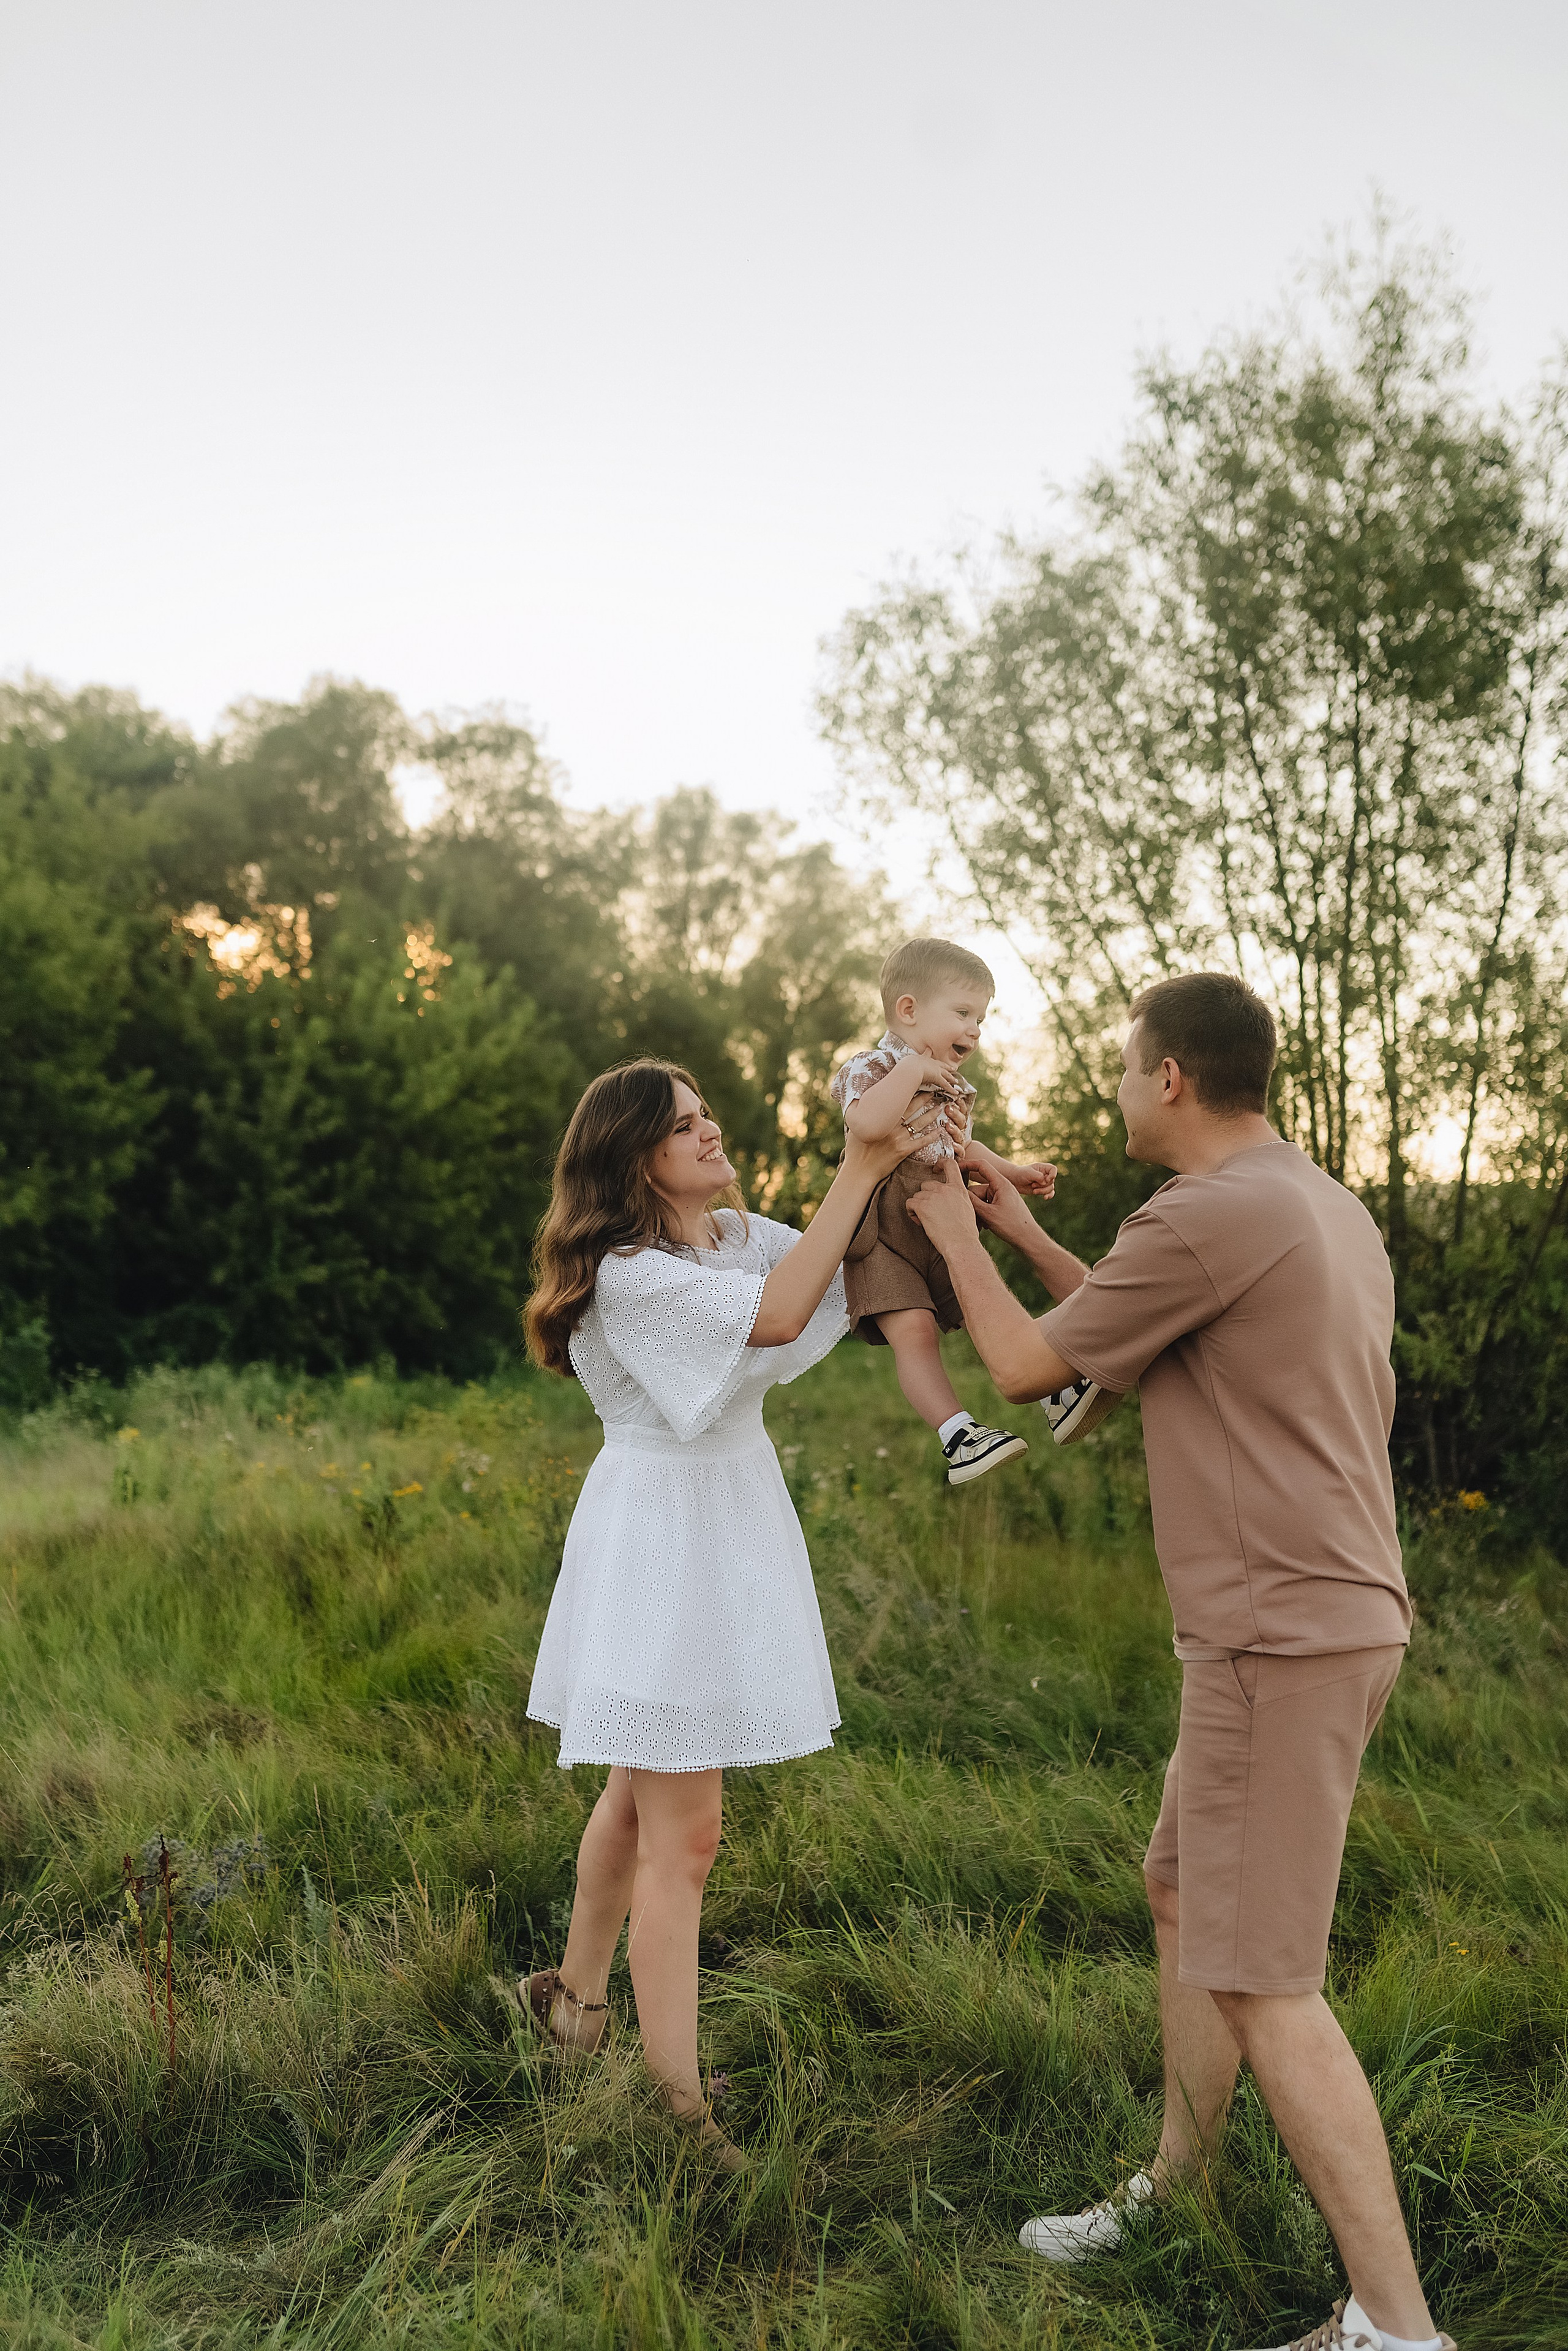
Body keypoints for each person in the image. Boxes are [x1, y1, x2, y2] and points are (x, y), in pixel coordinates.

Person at [904, 973, 1455, 2351]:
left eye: (1118, 1068)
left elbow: (1035, 1368)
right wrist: (1018, 1224)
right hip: (1314, 1617)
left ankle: (1394, 2329)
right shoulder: (1306, 1201)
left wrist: (931, 1224)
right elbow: (1138, 1347)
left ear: (1167, 1078)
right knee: (1176, 1888)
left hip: (1281, 1630)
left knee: (1266, 1976)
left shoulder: (1203, 1213)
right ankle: (1179, 2177)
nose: (1109, 1090)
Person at [522, 1057, 944, 2165]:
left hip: (727, 1515)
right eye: (685, 1126)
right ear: (633, 1157)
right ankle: (680, 2115)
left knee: (635, 1783)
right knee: (689, 1835)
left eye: (710, 1115)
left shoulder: (732, 1236)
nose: (714, 1134)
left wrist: (915, 1146)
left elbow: (835, 1262)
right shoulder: (631, 1274)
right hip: (661, 1531)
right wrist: (858, 1157)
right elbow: (783, 1311)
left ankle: (572, 2006)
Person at [829, 937, 1056, 1484]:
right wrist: (911, 1073)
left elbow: (959, 1150)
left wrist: (1011, 1172)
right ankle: (959, 1435)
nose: (976, 1030)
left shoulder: (956, 1088)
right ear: (908, 1010)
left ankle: (1059, 1382)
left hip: (940, 1219)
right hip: (881, 1235)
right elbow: (866, 1125)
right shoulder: (871, 1066)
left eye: (981, 1017)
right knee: (915, 1333)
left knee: (991, 1304)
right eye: (962, 1013)